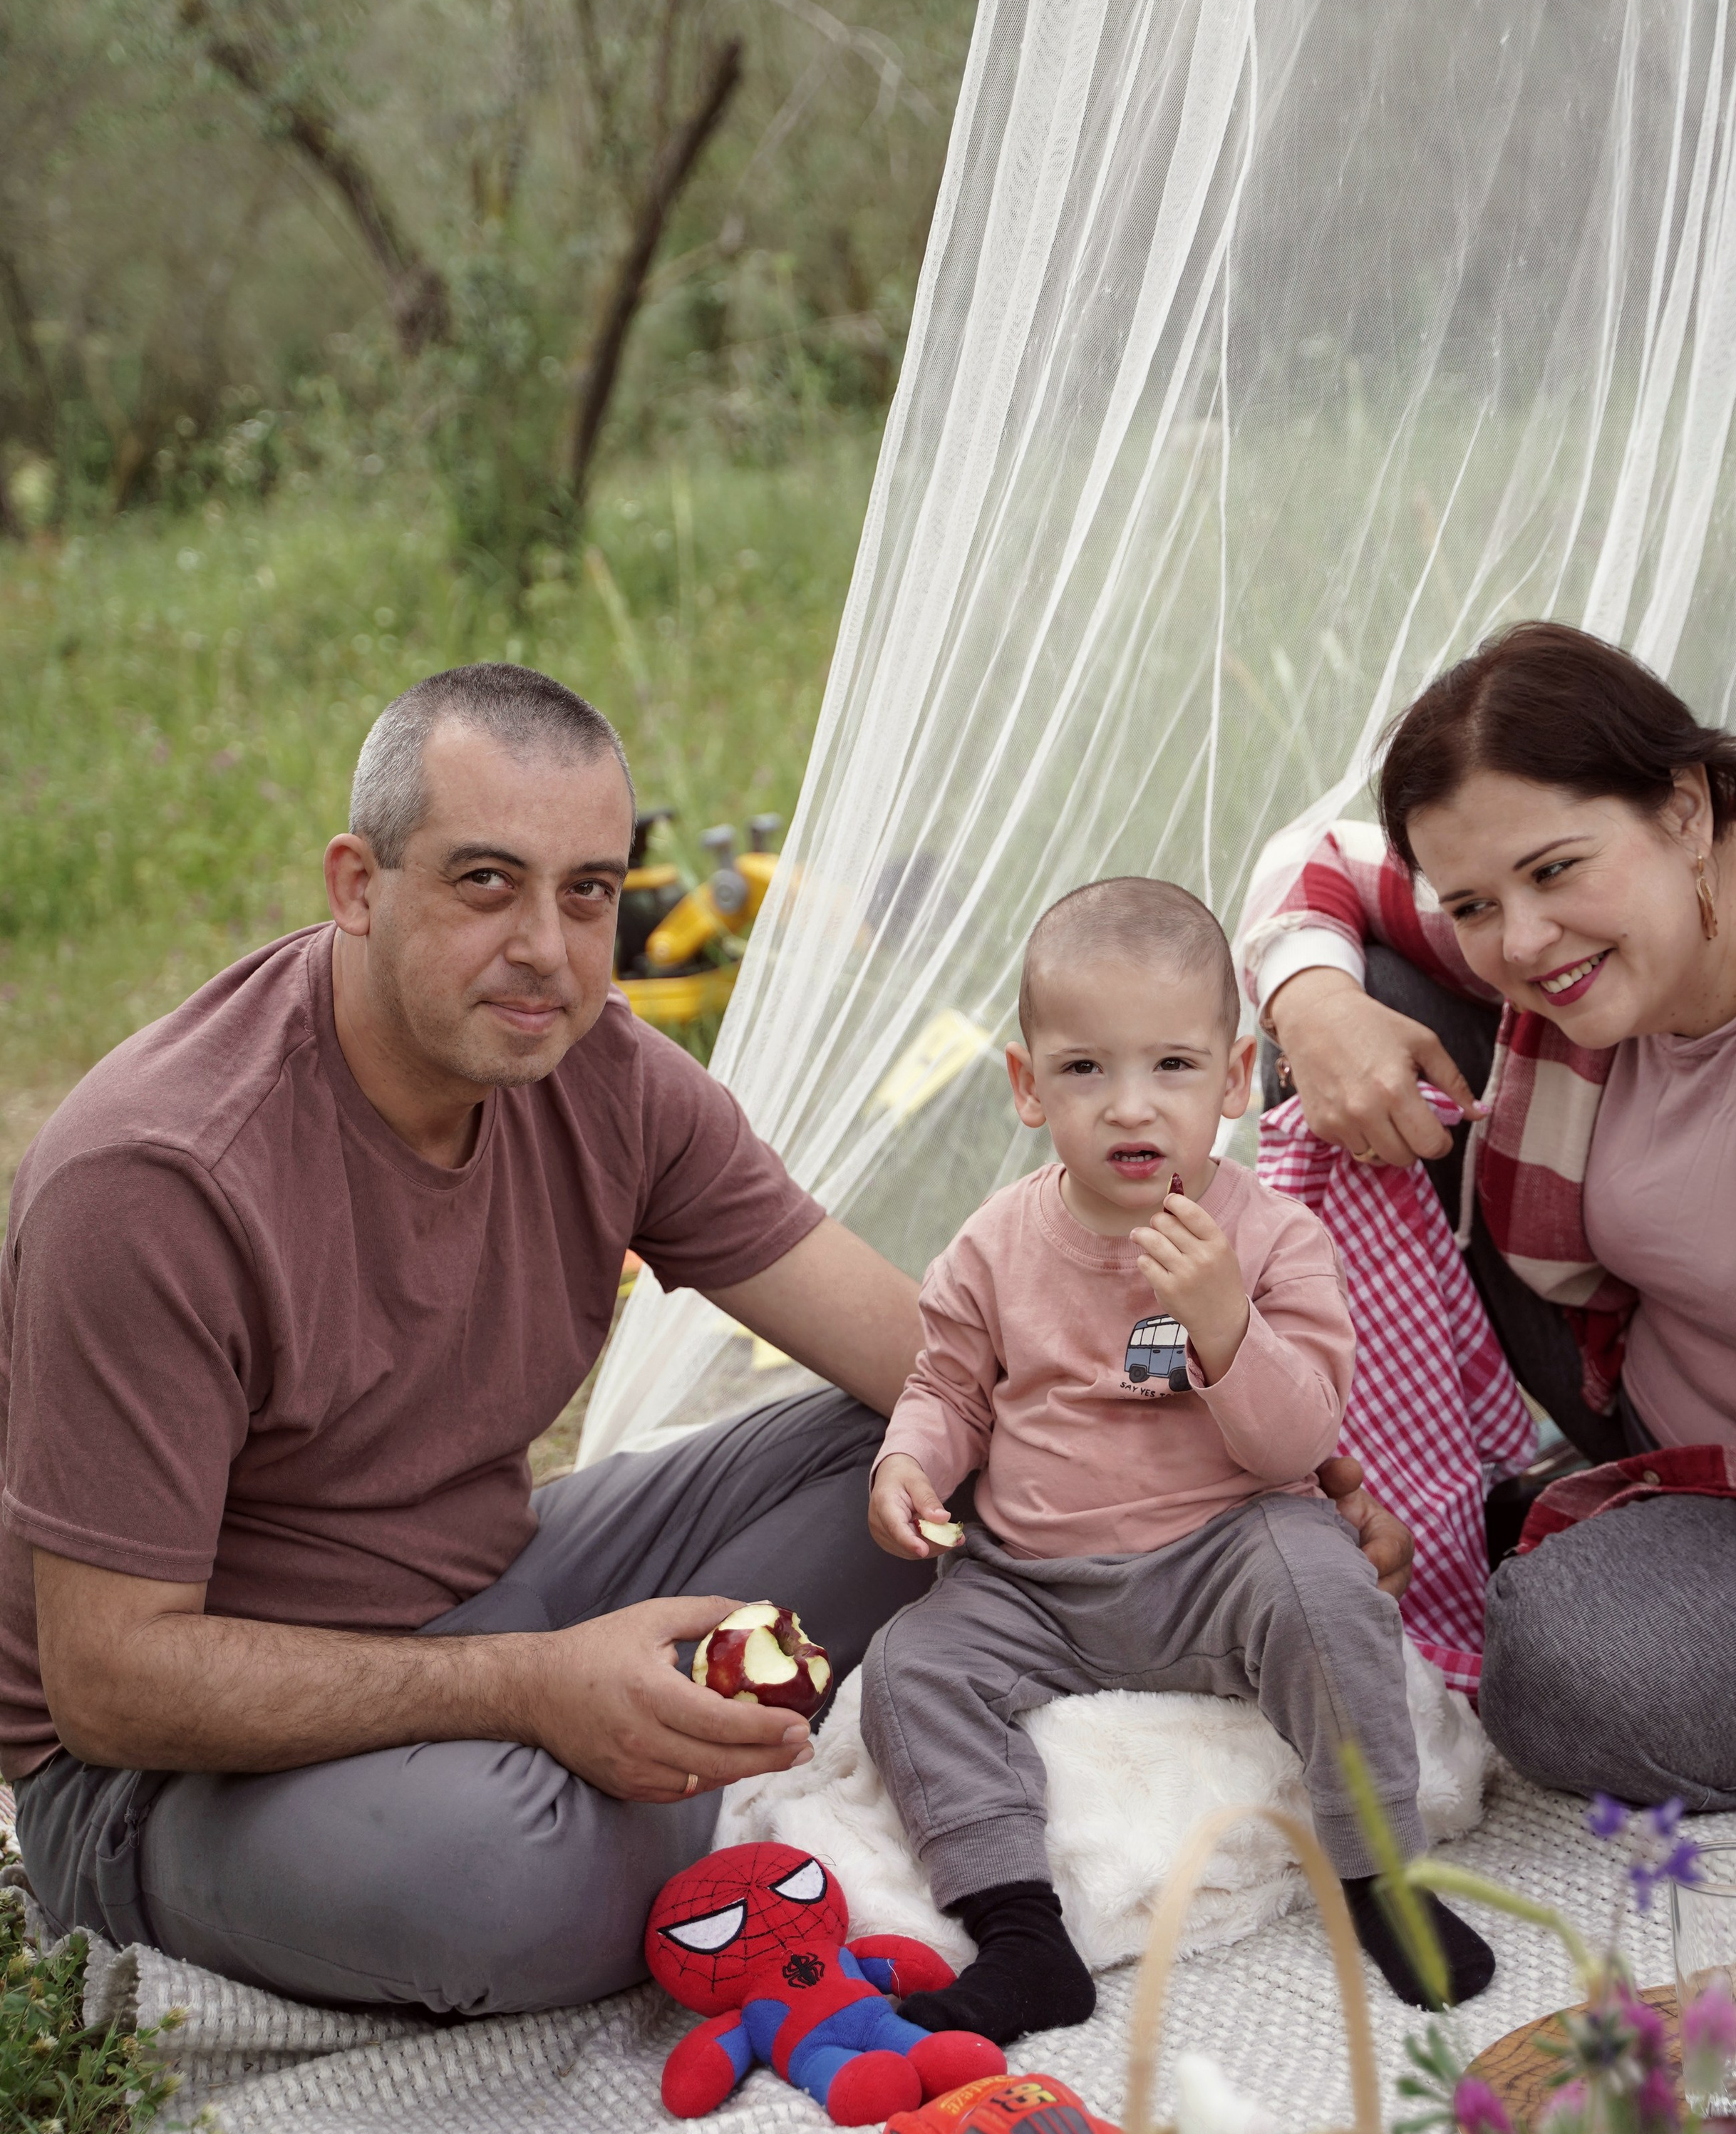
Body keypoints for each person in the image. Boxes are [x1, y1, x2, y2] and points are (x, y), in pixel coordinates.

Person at [1, 663, 1413, 2017]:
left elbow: (933, 1358)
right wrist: (529, 1692)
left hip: (504, 1582)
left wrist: (1235, 1457)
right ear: (356, 888)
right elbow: (116, 1684)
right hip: (167, 1778)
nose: (546, 953)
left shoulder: (597, 1068)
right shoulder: (159, 1180)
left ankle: (662, 1776)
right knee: (505, 1882)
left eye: (590, 894)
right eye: (484, 883)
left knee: (938, 1444)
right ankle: (671, 1792)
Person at [856, 877, 1495, 2044]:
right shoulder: (997, 1244)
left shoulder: (1272, 1238)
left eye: (1174, 1068)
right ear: (1027, 1086)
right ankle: (1024, 1936)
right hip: (1033, 1582)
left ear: (1238, 1078)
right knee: (907, 1668)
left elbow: (1300, 1439)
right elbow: (948, 1385)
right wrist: (910, 1463)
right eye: (1086, 1070)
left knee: (1325, 1592)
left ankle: (1381, 1880)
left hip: (1224, 1550)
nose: (1130, 1106)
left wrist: (1223, 1322)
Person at [1239, 622, 1736, 1811]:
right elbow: (1318, 861)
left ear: (1687, 810)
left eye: (1557, 872)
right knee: (1356, 1005)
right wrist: (1312, 1005)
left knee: (1566, 1676)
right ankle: (1427, 1490)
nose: (1522, 941)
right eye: (1475, 901)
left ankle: (1554, 1559)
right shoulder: (1562, 918)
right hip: (1626, 1383)